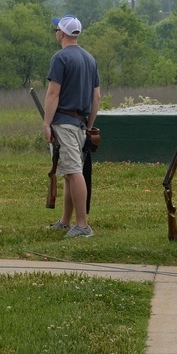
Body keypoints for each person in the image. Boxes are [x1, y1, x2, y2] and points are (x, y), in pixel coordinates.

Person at [43, 15, 101, 238]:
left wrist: (47, 123)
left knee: (74, 172)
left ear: (62, 33)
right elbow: (96, 98)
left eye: (56, 29)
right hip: (80, 124)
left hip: (64, 123)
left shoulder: (60, 58)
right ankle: (66, 221)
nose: (56, 32)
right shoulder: (90, 59)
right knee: (68, 172)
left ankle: (83, 225)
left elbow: (53, 93)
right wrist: (89, 125)